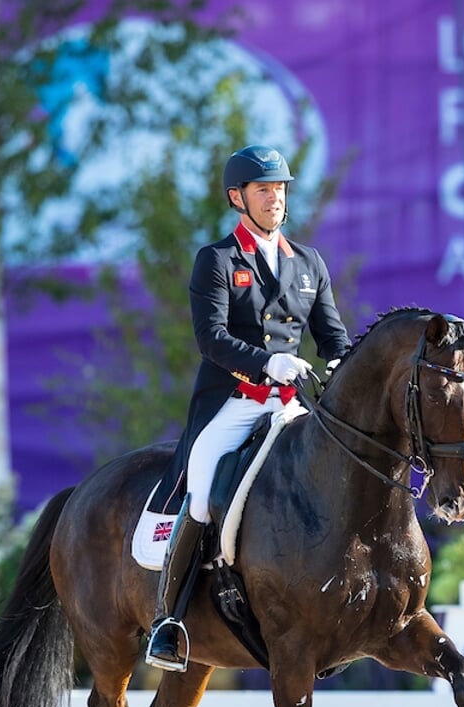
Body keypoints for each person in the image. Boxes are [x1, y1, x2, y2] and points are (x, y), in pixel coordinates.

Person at [145, 144, 352, 671]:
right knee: (201, 488)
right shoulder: (216, 260)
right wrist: (267, 363)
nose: (275, 198)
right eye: (263, 190)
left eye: (280, 189)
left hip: (290, 406)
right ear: (239, 198)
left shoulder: (308, 263)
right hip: (233, 403)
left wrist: (348, 368)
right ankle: (168, 621)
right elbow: (210, 338)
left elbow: (332, 336)